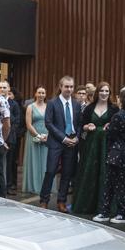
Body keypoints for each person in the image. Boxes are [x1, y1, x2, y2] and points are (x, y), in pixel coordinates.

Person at [71, 81, 118, 216]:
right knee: (89, 173)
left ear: (110, 93)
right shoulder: (89, 108)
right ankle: (87, 205)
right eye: (102, 91)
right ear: (97, 92)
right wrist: (87, 127)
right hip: (91, 147)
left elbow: (118, 127)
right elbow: (82, 125)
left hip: (107, 146)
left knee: (105, 174)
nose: (104, 93)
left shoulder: (114, 109)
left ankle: (105, 207)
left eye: (107, 91)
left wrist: (111, 126)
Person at [93, 87, 125, 224]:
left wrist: (107, 128)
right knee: (117, 184)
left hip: (116, 153)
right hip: (124, 153)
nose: (117, 99)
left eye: (119, 97)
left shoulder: (118, 115)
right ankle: (110, 212)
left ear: (122, 100)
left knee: (112, 184)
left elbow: (111, 134)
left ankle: (117, 213)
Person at [39, 76, 83, 212]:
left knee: (67, 173)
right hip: (56, 142)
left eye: (71, 87)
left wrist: (77, 138)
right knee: (51, 171)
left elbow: (80, 123)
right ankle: (44, 200)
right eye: (66, 86)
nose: (69, 89)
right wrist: (63, 138)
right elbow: (48, 123)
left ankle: (61, 202)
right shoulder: (52, 103)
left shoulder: (76, 104)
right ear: (60, 87)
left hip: (72, 143)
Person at [22, 86, 48, 195]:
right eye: (39, 92)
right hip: (33, 135)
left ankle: (45, 185)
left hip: (47, 136)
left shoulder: (48, 106)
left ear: (45, 95)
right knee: (34, 160)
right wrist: (38, 135)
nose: (41, 95)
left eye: (43, 93)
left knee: (46, 161)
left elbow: (52, 122)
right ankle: (33, 185)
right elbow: (28, 124)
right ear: (35, 94)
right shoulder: (30, 107)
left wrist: (47, 135)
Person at [0, 80, 22, 194]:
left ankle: (7, 186)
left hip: (10, 137)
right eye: (0, 87)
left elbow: (16, 122)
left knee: (9, 163)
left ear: (9, 90)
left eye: (4, 87)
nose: (2, 89)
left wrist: (7, 136)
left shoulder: (14, 104)